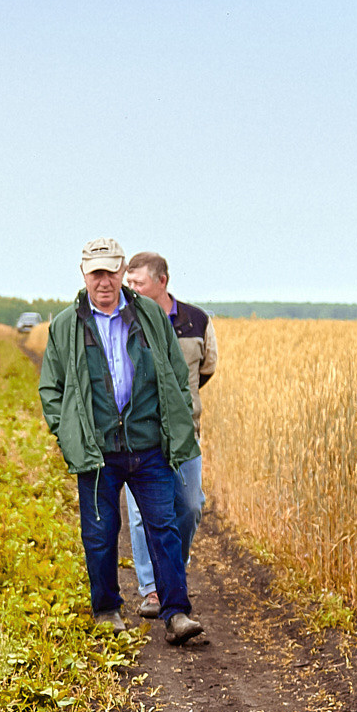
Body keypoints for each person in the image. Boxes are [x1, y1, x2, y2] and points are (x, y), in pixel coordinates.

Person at [39, 238, 207, 644]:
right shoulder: (66, 325)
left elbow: (174, 375)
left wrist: (176, 424)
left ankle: (176, 613)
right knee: (99, 533)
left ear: (121, 272)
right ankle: (108, 609)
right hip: (98, 453)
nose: (104, 280)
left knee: (164, 527)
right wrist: (69, 436)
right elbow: (52, 389)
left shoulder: (148, 314)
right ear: (84, 274)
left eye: (111, 271)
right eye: (96, 272)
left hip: (148, 446)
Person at [119, 251, 216, 616]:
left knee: (190, 506)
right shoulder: (123, 320)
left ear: (162, 282)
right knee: (143, 514)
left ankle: (174, 566)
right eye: (129, 283)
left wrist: (181, 404)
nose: (132, 290)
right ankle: (151, 589)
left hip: (185, 433)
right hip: (140, 437)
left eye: (138, 283)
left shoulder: (196, 321)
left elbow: (206, 369)